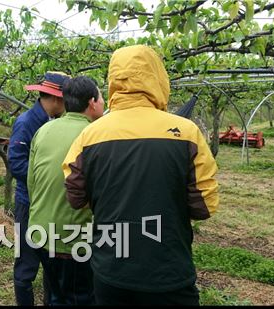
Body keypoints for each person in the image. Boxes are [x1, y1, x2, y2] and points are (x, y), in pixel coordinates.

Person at [62, 45, 219, 306]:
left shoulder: (89, 136)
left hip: (110, 269)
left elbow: (76, 197)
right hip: (167, 269)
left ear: (113, 81)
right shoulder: (186, 132)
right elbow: (204, 206)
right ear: (157, 77)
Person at [27, 76, 104, 305]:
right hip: (73, 238)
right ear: (92, 102)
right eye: (102, 97)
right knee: (79, 297)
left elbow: (32, 182)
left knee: (54, 294)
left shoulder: (44, 130)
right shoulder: (97, 134)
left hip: (40, 232)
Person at [8, 71, 71, 306]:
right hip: (29, 203)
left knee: (51, 260)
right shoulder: (27, 122)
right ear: (56, 99)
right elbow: (16, 163)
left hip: (49, 204)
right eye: (65, 101)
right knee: (26, 264)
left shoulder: (53, 122)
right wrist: (46, 181)